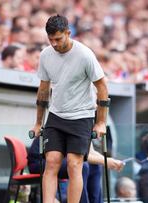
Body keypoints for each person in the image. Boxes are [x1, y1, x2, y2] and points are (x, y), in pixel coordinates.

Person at [30, 14, 109, 203]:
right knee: (51, 162)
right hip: (56, 116)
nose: (54, 44)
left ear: (68, 33)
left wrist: (101, 122)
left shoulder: (85, 55)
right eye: (51, 40)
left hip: (82, 116)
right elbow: (43, 90)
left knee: (75, 165)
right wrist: (38, 123)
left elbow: (102, 87)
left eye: (58, 39)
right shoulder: (46, 55)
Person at [27, 137, 124, 203]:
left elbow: (90, 152)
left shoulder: (87, 121)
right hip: (40, 161)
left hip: (61, 159)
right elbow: (78, 155)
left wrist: (109, 161)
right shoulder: (75, 118)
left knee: (95, 166)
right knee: (82, 166)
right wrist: (106, 161)